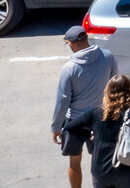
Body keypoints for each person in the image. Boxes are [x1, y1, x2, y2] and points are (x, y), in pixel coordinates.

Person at [50, 26, 115, 188]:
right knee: (100, 161)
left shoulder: (69, 68)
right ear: (86, 39)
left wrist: (56, 127)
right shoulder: (108, 57)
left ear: (71, 44)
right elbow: (114, 88)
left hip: (75, 122)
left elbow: (62, 101)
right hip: (101, 119)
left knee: (74, 162)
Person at [85, 75, 130, 188]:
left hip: (101, 168)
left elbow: (75, 129)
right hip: (127, 168)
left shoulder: (97, 113)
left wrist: (92, 142)